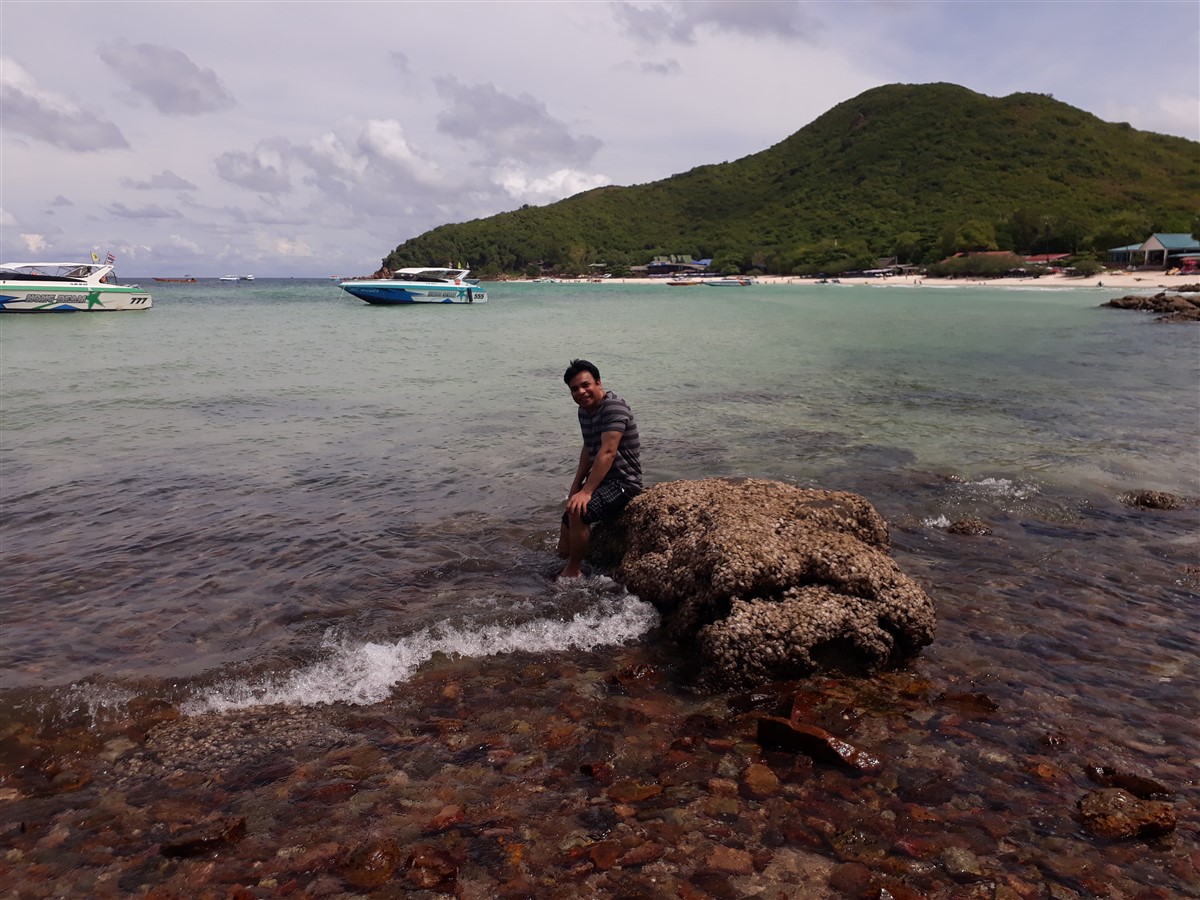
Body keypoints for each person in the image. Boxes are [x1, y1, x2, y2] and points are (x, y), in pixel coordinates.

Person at [557, 359, 642, 578]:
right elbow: (589, 448)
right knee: (568, 513)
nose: (581, 392)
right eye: (574, 389)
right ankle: (562, 558)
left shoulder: (613, 406)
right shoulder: (584, 411)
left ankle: (574, 571)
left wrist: (586, 492)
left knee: (579, 512)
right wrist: (576, 486)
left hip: (624, 482)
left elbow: (607, 452)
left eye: (586, 385)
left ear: (598, 383)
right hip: (602, 481)